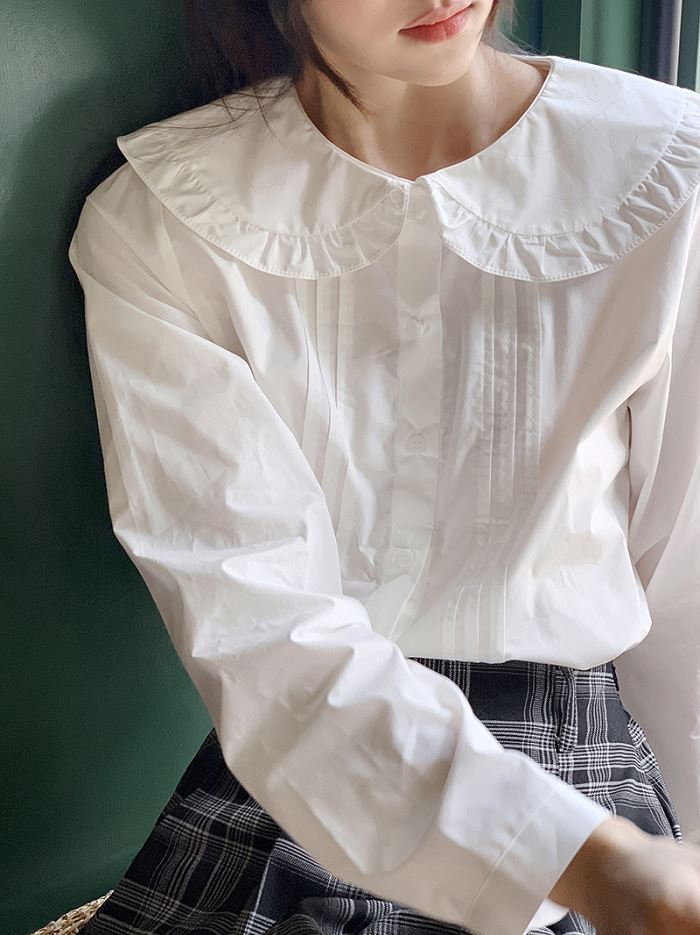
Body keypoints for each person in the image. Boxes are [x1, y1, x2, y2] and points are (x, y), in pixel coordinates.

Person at [67, 1, 700, 933]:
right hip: (302, 778)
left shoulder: (667, 169)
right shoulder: (162, 221)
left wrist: (651, 861)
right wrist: (591, 863)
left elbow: (687, 593)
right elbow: (256, 623)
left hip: (589, 768)